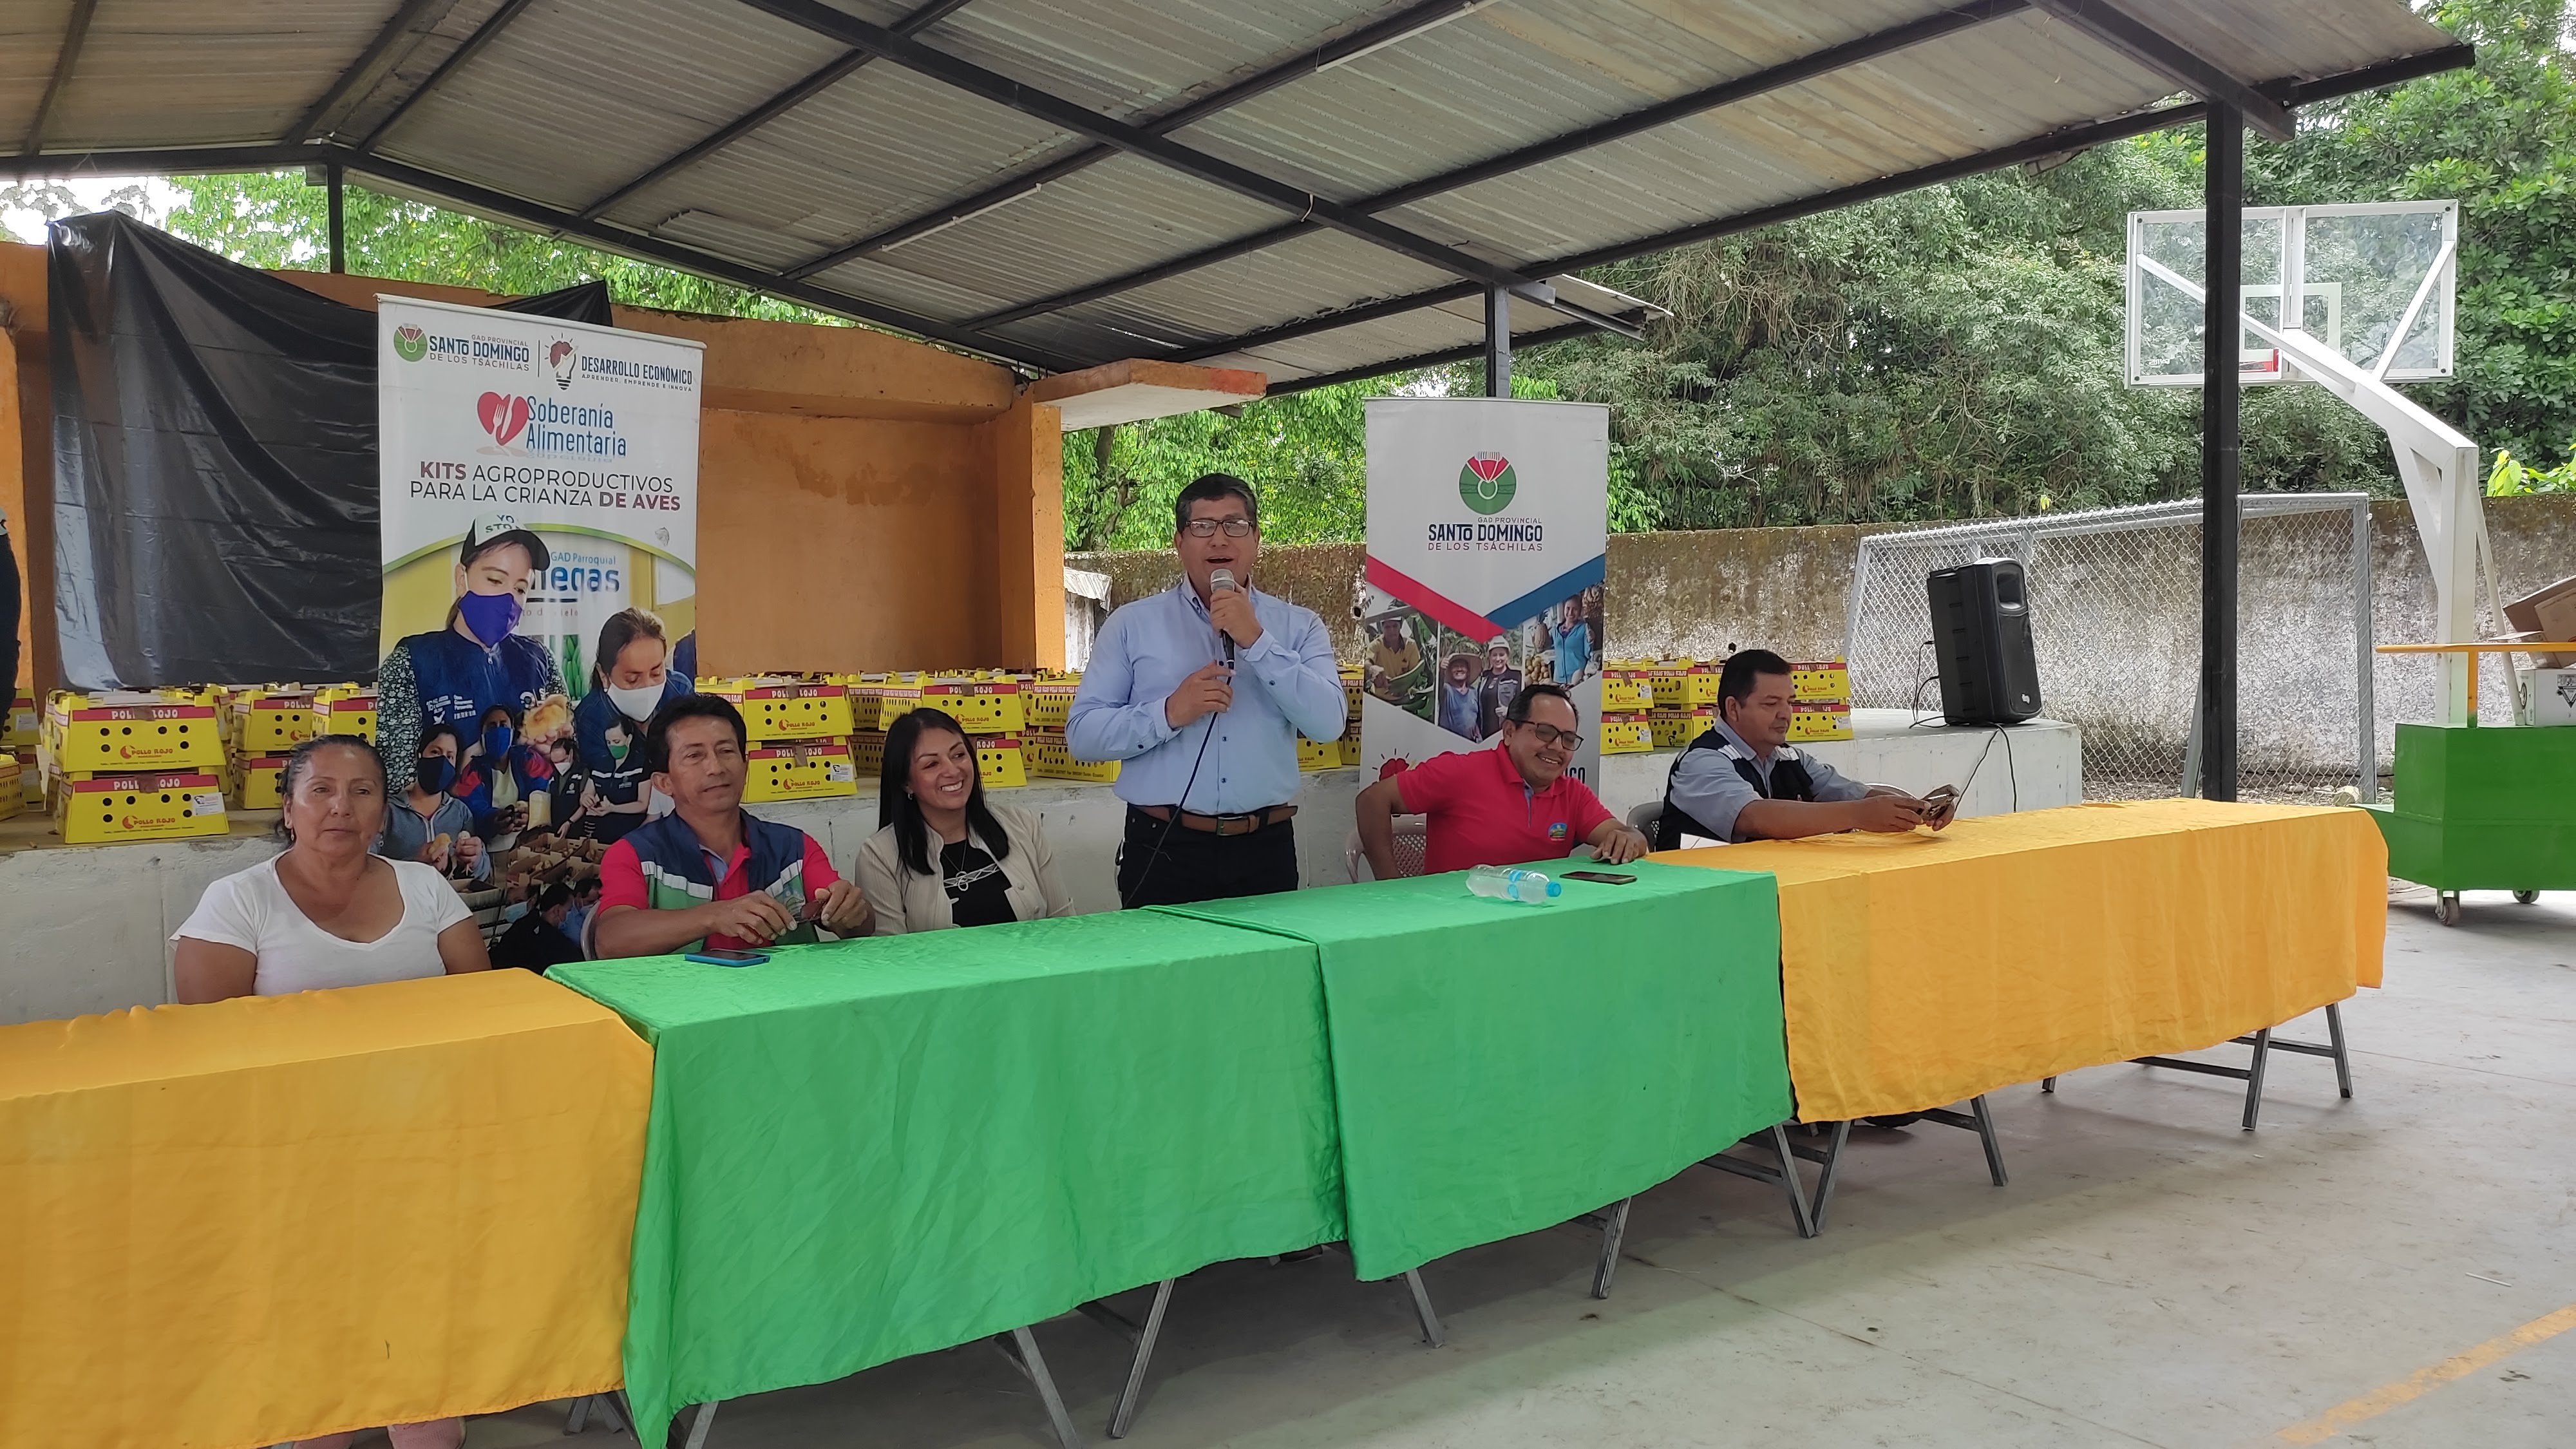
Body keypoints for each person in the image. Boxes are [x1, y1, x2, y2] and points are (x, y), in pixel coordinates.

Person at [1066, 473, 1346, 908]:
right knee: (1164, 957)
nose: (1219, 539)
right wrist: (1168, 713)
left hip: (1265, 848)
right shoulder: (1131, 625)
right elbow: (1083, 735)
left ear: (1255, 539)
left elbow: (1328, 724)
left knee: (1267, 956)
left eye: (1234, 525)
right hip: (1163, 846)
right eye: (1202, 526)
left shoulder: (1299, 626)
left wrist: (1257, 641)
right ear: (1179, 541)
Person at [589, 694, 871, 958]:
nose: (716, 768)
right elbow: (610, 941)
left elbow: (860, 927)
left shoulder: (794, 848)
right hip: (682, 995)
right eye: (694, 756)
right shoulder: (633, 854)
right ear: (664, 783)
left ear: (746, 766)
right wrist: (714, 916)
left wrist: (850, 912)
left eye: (726, 751)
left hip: (785, 992)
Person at [1356, 683, 1648, 878]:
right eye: (1545, 733)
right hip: (1453, 926)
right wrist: (1391, 884)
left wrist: (1632, 840)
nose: (1558, 747)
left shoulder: (1573, 794)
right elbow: (1372, 800)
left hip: (1537, 926)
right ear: (1509, 732)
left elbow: (1625, 835)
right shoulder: (1461, 773)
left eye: (1568, 739)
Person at [1655, 648, 1926, 849]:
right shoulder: (1702, 761)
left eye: (1790, 702)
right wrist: (1860, 814)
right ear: (1733, 709)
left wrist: (1921, 809)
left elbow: (1849, 792)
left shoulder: (1789, 757)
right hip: (1703, 892)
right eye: (1771, 704)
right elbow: (1757, 817)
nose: (1785, 714)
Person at [377, 513, 566, 793]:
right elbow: (397, 781)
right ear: (461, 579)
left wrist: (555, 752)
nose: (508, 598)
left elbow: (571, 758)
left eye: (520, 588)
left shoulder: (540, 659)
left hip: (534, 819)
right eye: (495, 580)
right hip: (450, 820)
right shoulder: (411, 662)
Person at [858, 708, 1074, 933]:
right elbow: (891, 950)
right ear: (906, 783)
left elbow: (1063, 924)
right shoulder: (880, 856)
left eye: (959, 755)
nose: (953, 770)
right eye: (932, 764)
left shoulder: (1023, 825)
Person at [571, 607, 691, 844]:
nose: (647, 687)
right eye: (633, 679)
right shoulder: (590, 717)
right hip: (619, 831)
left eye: (656, 673)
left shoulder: (680, 692)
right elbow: (600, 781)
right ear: (604, 675)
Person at [376, 723, 487, 883]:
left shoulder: (461, 813)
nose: (442, 762)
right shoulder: (388, 811)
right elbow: (366, 867)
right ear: (419, 756)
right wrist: (415, 864)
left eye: (450, 756)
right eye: (435, 752)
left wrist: (476, 861)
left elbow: (482, 875)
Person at [453, 703, 554, 842]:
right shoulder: (473, 770)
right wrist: (493, 819)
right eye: (492, 726)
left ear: (512, 731)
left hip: (531, 843)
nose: (498, 730)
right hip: (489, 849)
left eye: (503, 725)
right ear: (482, 735)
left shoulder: (528, 758)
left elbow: (543, 789)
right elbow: (473, 807)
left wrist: (530, 811)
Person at [492, 882, 585, 971]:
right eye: (570, 910)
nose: (574, 915)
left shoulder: (524, 924)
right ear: (557, 910)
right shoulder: (553, 940)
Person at [1367, 615, 1425, 704]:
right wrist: (1372, 669)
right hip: (1378, 698)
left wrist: (1405, 687)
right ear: (1382, 628)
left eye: (1395, 626)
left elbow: (1415, 674)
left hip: (1402, 698)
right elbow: (1367, 663)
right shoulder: (1376, 645)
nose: (1392, 630)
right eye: (1387, 627)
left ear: (1400, 627)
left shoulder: (1410, 646)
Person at [1474, 636, 1522, 738]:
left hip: (1505, 734)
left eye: (1501, 655)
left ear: (1507, 656)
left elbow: (1522, 705)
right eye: (1494, 655)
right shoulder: (1484, 677)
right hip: (1483, 735)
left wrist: (1509, 711)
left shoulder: (1516, 677)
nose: (1498, 659)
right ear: (1490, 657)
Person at [1435, 653, 1481, 738]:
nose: (1459, 669)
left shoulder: (1474, 692)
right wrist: (1441, 671)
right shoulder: (1446, 691)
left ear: (1468, 672)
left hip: (1470, 742)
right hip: (1449, 741)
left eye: (1462, 666)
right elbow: (1438, 685)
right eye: (1455, 666)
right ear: (1450, 671)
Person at [1553, 596, 1592, 684]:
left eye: (1575, 609)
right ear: (1564, 608)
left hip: (1576, 679)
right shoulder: (1555, 629)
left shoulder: (1584, 628)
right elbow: (1549, 647)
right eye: (1568, 608)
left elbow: (1588, 654)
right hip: (1558, 679)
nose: (1570, 613)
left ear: (1580, 611)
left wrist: (1590, 640)